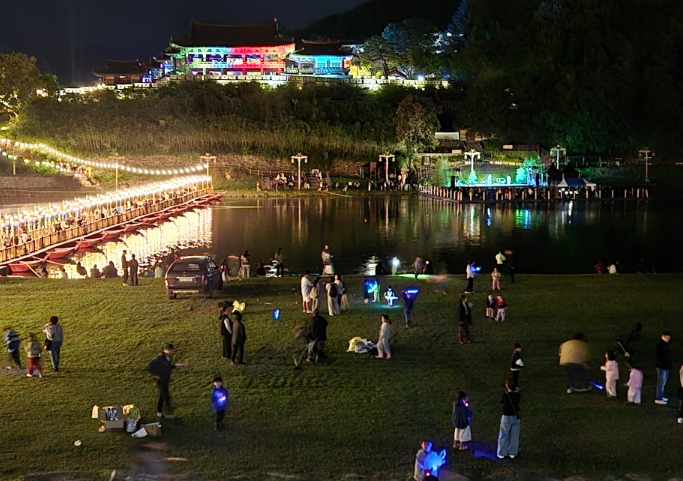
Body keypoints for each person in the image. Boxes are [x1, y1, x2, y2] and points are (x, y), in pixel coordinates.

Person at [148, 343, 187, 419]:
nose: (171, 352)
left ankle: (162, 411)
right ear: (166, 350)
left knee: (163, 396)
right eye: (170, 350)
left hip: (165, 379)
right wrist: (155, 375)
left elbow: (168, 366)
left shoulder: (167, 357)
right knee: (163, 396)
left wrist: (178, 365)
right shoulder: (160, 358)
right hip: (161, 380)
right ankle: (163, 411)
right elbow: (151, 366)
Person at [497, 379, 521, 459]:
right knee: (514, 435)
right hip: (515, 416)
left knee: (504, 434)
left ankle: (502, 453)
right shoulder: (518, 395)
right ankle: (512, 452)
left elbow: (501, 403)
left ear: (507, 386)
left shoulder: (505, 395)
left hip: (506, 416)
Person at [655, 331, 672, 405]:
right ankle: (658, 398)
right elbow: (660, 357)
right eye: (667, 337)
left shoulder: (665, 345)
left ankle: (661, 395)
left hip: (665, 366)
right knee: (661, 382)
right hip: (661, 366)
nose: (668, 339)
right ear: (663, 336)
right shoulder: (660, 345)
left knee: (663, 382)